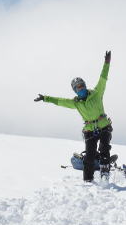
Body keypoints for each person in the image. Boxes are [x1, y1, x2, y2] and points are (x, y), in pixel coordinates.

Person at [34, 51, 113, 182]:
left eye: (82, 86)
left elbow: (103, 77)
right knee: (89, 157)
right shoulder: (75, 103)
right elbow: (60, 101)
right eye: (77, 88)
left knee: (104, 150)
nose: (80, 88)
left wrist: (106, 63)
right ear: (75, 90)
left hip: (104, 126)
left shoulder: (97, 93)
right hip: (90, 131)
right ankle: (88, 181)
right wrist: (45, 98)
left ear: (85, 86)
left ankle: (105, 178)